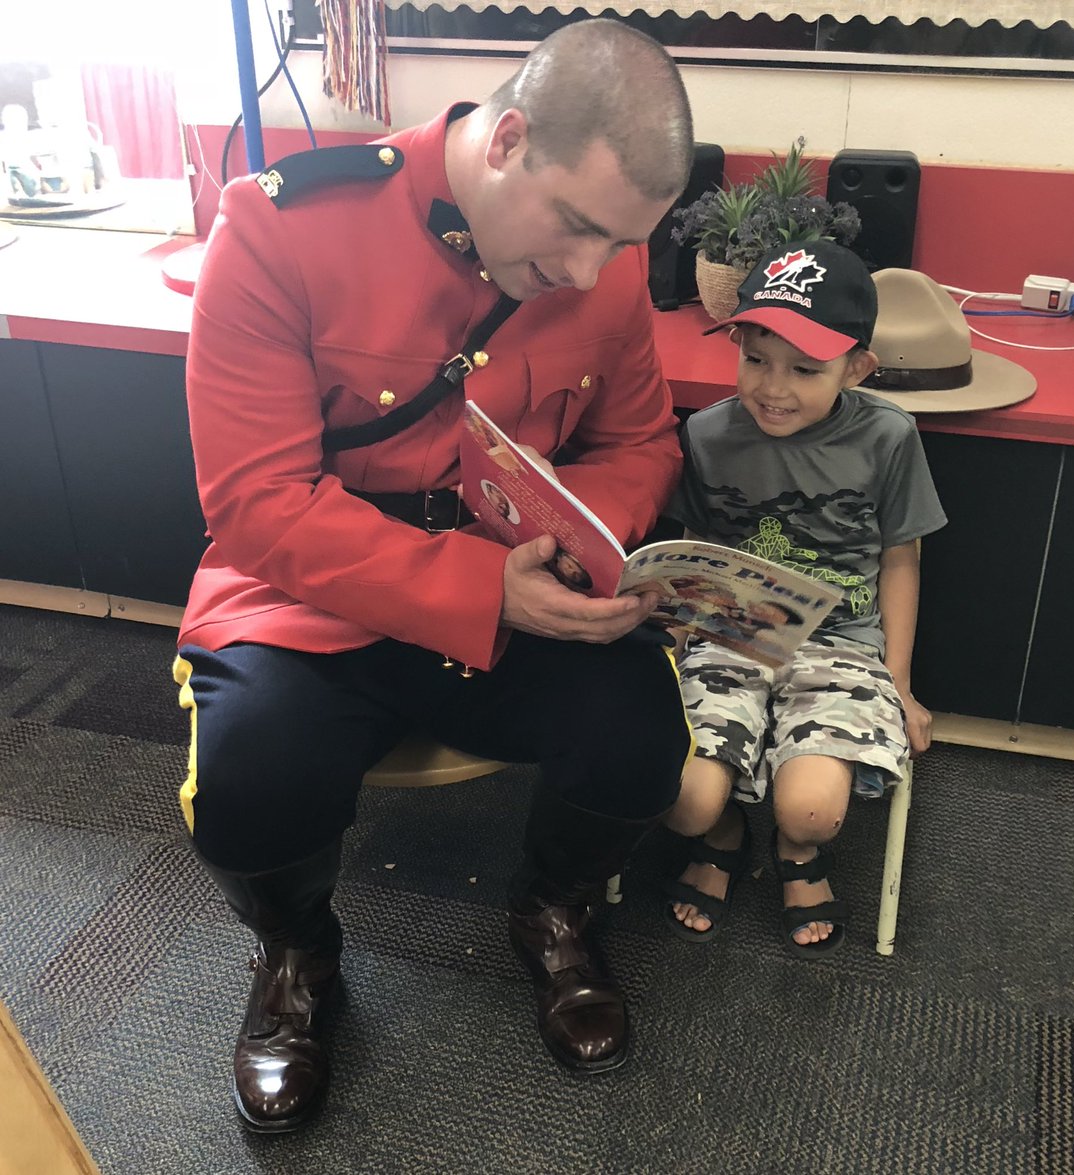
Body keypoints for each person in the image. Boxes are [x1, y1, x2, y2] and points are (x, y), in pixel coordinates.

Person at [173, 19, 694, 1133]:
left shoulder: (608, 253)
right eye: (578, 229)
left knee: (644, 734)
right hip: (312, 591)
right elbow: (258, 507)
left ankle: (553, 910)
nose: (590, 273)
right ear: (507, 140)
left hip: (518, 579)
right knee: (252, 782)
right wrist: (476, 587)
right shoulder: (281, 228)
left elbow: (642, 441)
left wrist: (602, 542)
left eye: (620, 244)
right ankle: (299, 956)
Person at [662, 239, 946, 954]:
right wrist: (671, 645)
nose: (772, 387)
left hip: (841, 646)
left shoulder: (889, 436)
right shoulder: (706, 433)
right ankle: (724, 828)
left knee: (812, 807)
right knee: (684, 799)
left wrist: (900, 684)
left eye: (804, 368)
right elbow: (696, 545)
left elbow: (900, 560)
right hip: (730, 634)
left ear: (857, 367)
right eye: (755, 357)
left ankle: (797, 851)